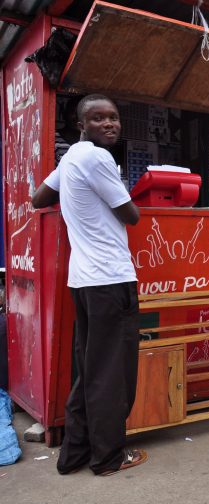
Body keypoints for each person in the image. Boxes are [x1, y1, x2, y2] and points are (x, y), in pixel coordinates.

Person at [31, 94, 147, 476]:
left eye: (113, 117)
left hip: (83, 282)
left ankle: (74, 454)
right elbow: (130, 214)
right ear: (81, 124)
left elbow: (38, 199)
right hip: (111, 280)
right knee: (112, 374)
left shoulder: (71, 159)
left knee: (88, 368)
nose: (109, 124)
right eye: (98, 119)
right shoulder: (97, 159)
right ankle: (109, 457)